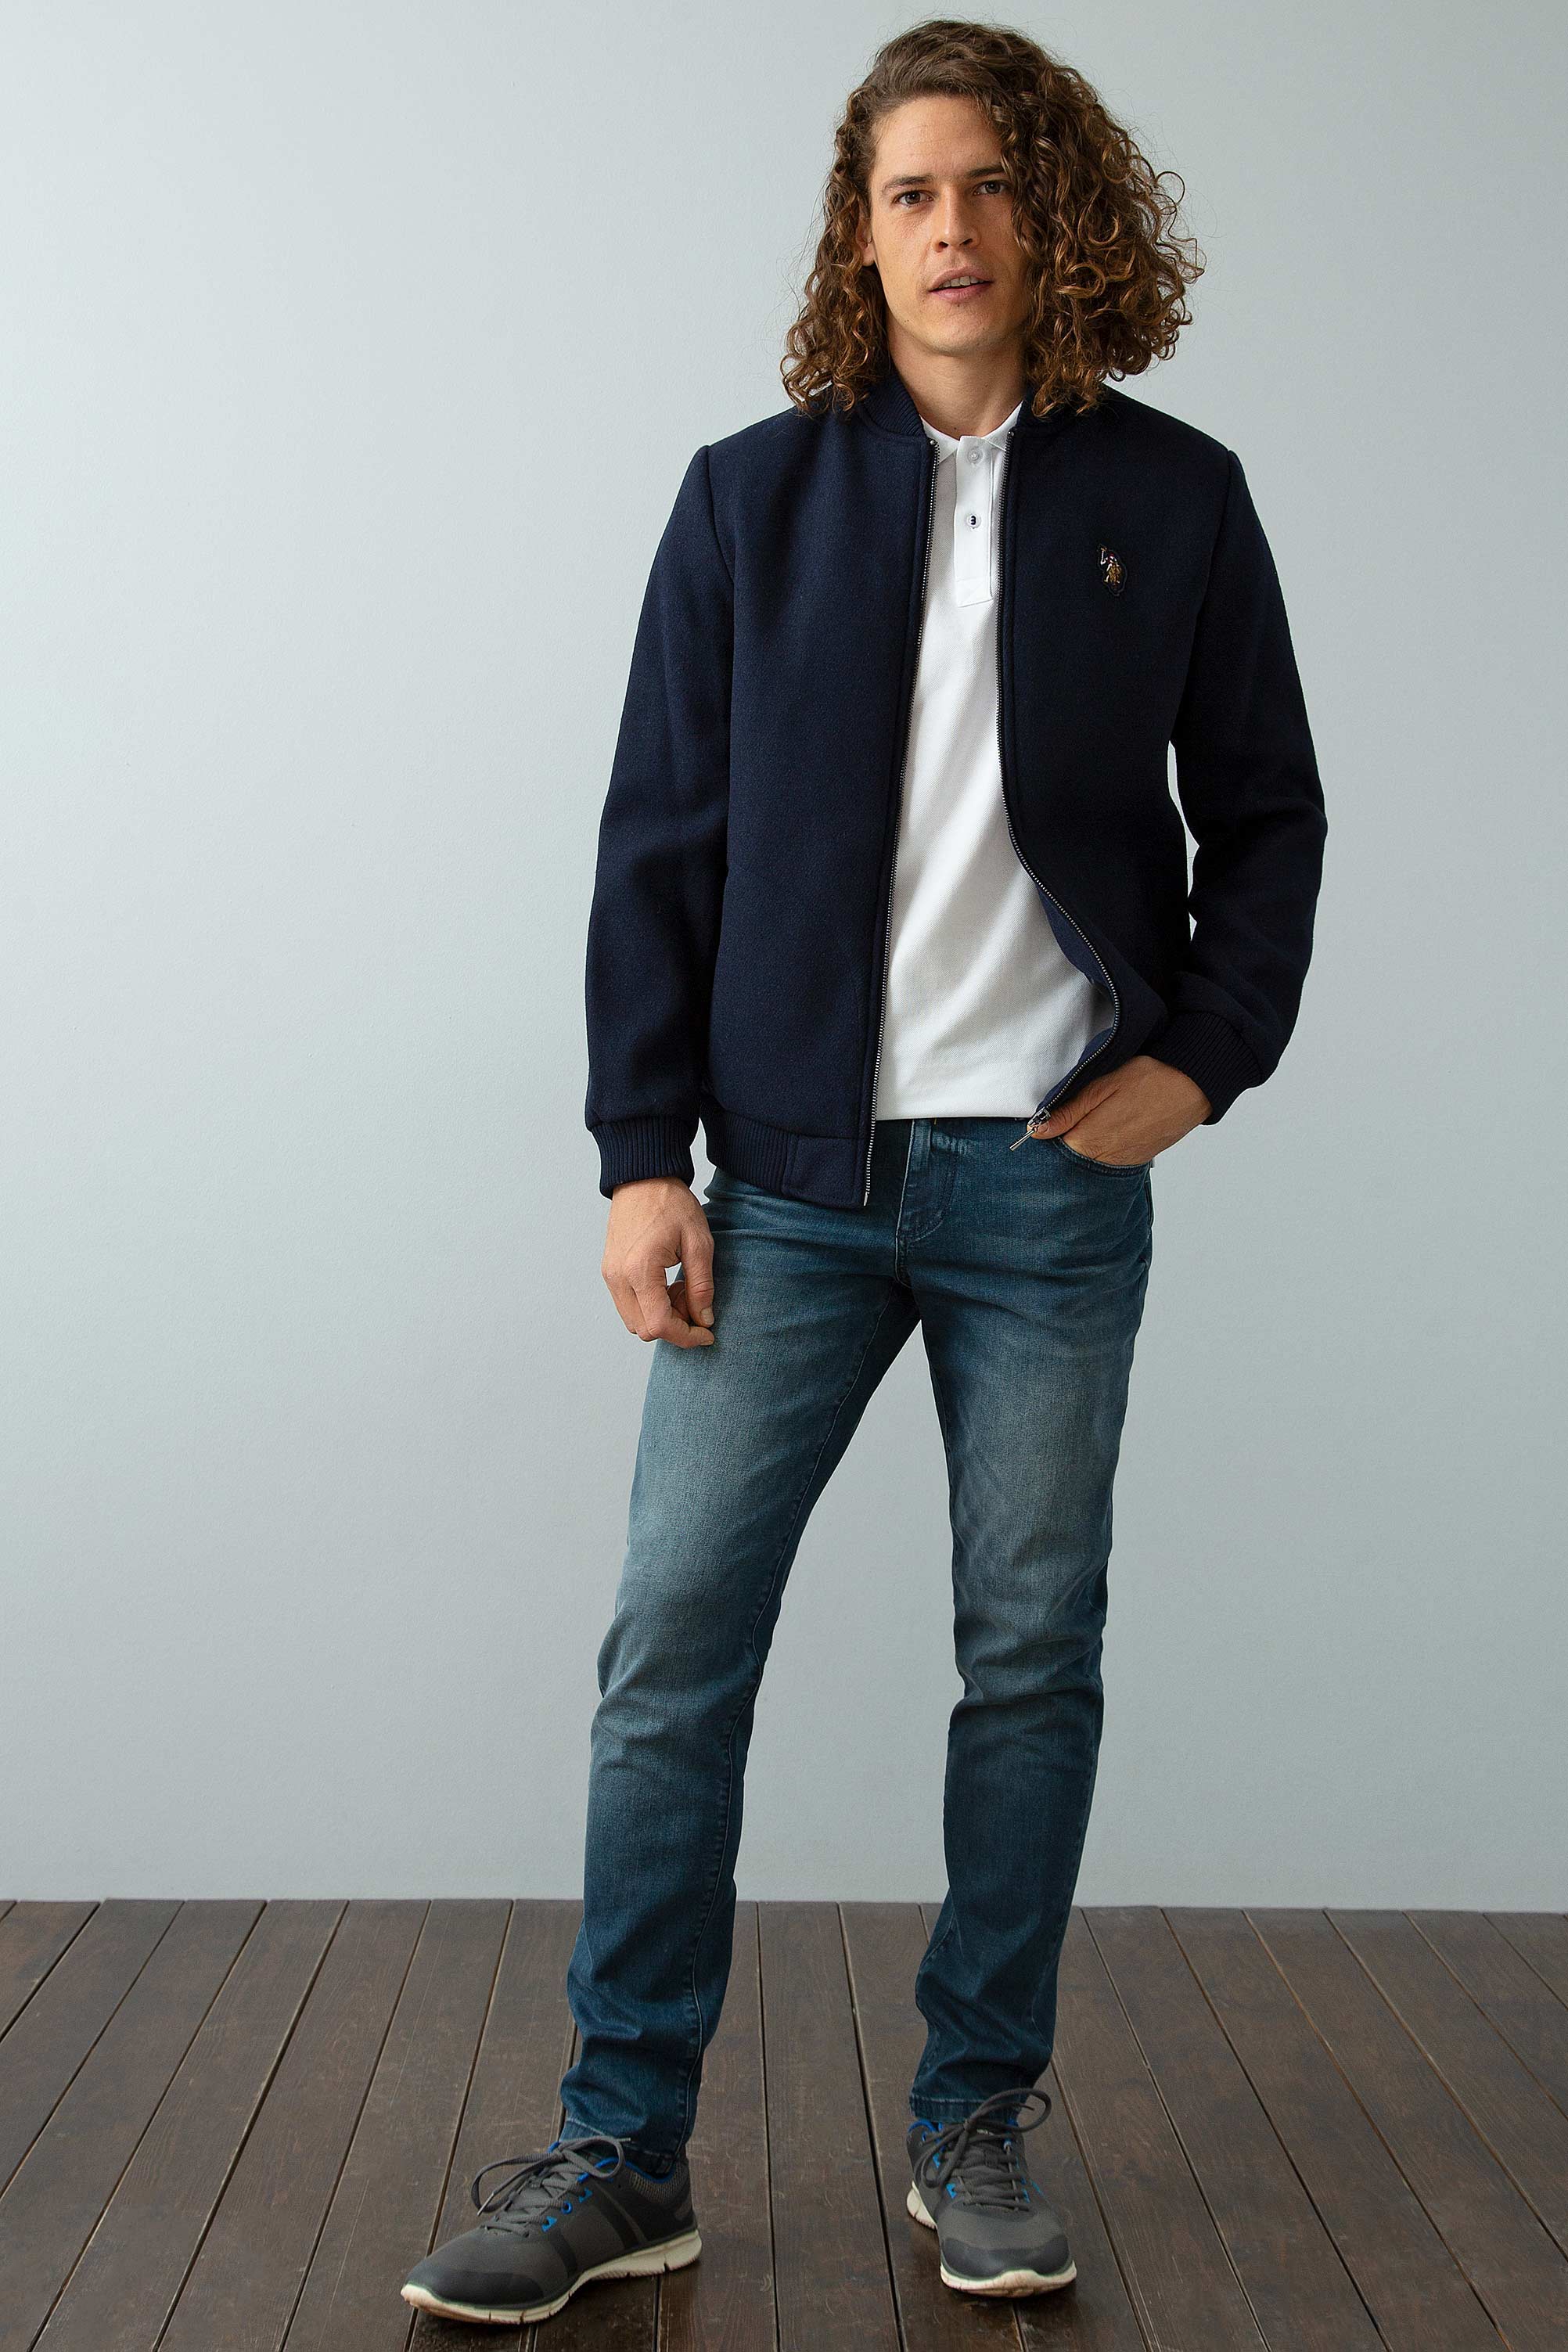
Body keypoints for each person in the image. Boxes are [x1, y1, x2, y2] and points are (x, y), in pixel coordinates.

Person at [401, 16, 1325, 2328]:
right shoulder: (749, 499)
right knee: (669, 1658)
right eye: (910, 191)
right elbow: (656, 842)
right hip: (791, 1184)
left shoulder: (1175, 497)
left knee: (1029, 1660)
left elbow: (1270, 813)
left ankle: (976, 2120)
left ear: (1057, 210)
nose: (953, 228)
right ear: (862, 232)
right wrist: (642, 1157)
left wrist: (1200, 1061)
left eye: (992, 182)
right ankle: (623, 2150)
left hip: (1047, 1183)